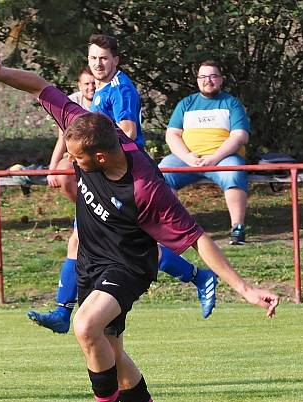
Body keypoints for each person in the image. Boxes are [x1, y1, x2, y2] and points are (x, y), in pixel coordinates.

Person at [0, 52, 279, 402]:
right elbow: (39, 85)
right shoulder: (86, 129)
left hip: (129, 264)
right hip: (91, 259)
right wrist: (0, 73)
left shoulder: (146, 188)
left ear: (100, 158)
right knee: (111, 352)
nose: (73, 163)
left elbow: (196, 238)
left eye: (78, 161)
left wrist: (243, 288)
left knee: (86, 327)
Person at [28, 34, 218, 334]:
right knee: (104, 244)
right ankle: (64, 311)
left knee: (124, 247)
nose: (98, 63)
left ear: (115, 60)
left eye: (103, 58)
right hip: (105, 179)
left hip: (126, 182)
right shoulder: (101, 91)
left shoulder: (121, 89)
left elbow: (126, 130)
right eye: (93, 58)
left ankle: (64, 312)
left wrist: (102, 155)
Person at [160, 59, 250, 245]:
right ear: (197, 80)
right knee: (161, 173)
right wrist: (187, 157)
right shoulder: (186, 103)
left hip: (222, 158)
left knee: (234, 172)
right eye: (202, 76)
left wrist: (214, 158)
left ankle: (237, 228)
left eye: (212, 76)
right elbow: (172, 135)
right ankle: (174, 229)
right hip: (189, 158)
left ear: (221, 80)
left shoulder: (231, 103)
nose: (207, 80)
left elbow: (240, 136)